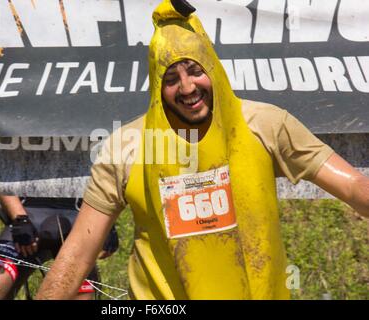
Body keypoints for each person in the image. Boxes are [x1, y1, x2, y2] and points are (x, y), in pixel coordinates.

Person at [36, 0, 369, 300]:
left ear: (213, 70)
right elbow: (78, 252)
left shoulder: (265, 125)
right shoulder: (127, 148)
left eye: (195, 71)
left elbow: (353, 186)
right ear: (156, 87)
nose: (187, 87)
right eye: (171, 78)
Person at [0, 195, 119, 300]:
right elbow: (2, 174)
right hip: (28, 213)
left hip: (80, 215)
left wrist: (108, 224)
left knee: (80, 294)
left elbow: (110, 177)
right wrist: (19, 218)